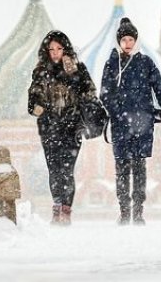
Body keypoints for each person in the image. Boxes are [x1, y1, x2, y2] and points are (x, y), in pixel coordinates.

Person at [100, 17, 161, 225]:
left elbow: (159, 87)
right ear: (118, 41)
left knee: (139, 166)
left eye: (130, 39)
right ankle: (124, 211)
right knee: (122, 167)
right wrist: (119, 112)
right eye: (123, 39)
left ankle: (138, 211)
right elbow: (105, 93)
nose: (127, 43)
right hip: (121, 125)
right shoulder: (112, 64)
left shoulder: (145, 62)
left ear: (136, 41)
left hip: (142, 123)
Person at [28, 29, 98, 225]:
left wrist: (78, 111)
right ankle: (56, 206)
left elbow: (90, 94)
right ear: (47, 51)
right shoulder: (41, 71)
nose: (55, 52)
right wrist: (42, 110)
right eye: (51, 49)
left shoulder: (77, 70)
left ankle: (66, 211)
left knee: (67, 171)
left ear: (65, 49)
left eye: (59, 48)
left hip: (71, 128)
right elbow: (32, 101)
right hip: (49, 129)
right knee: (54, 170)